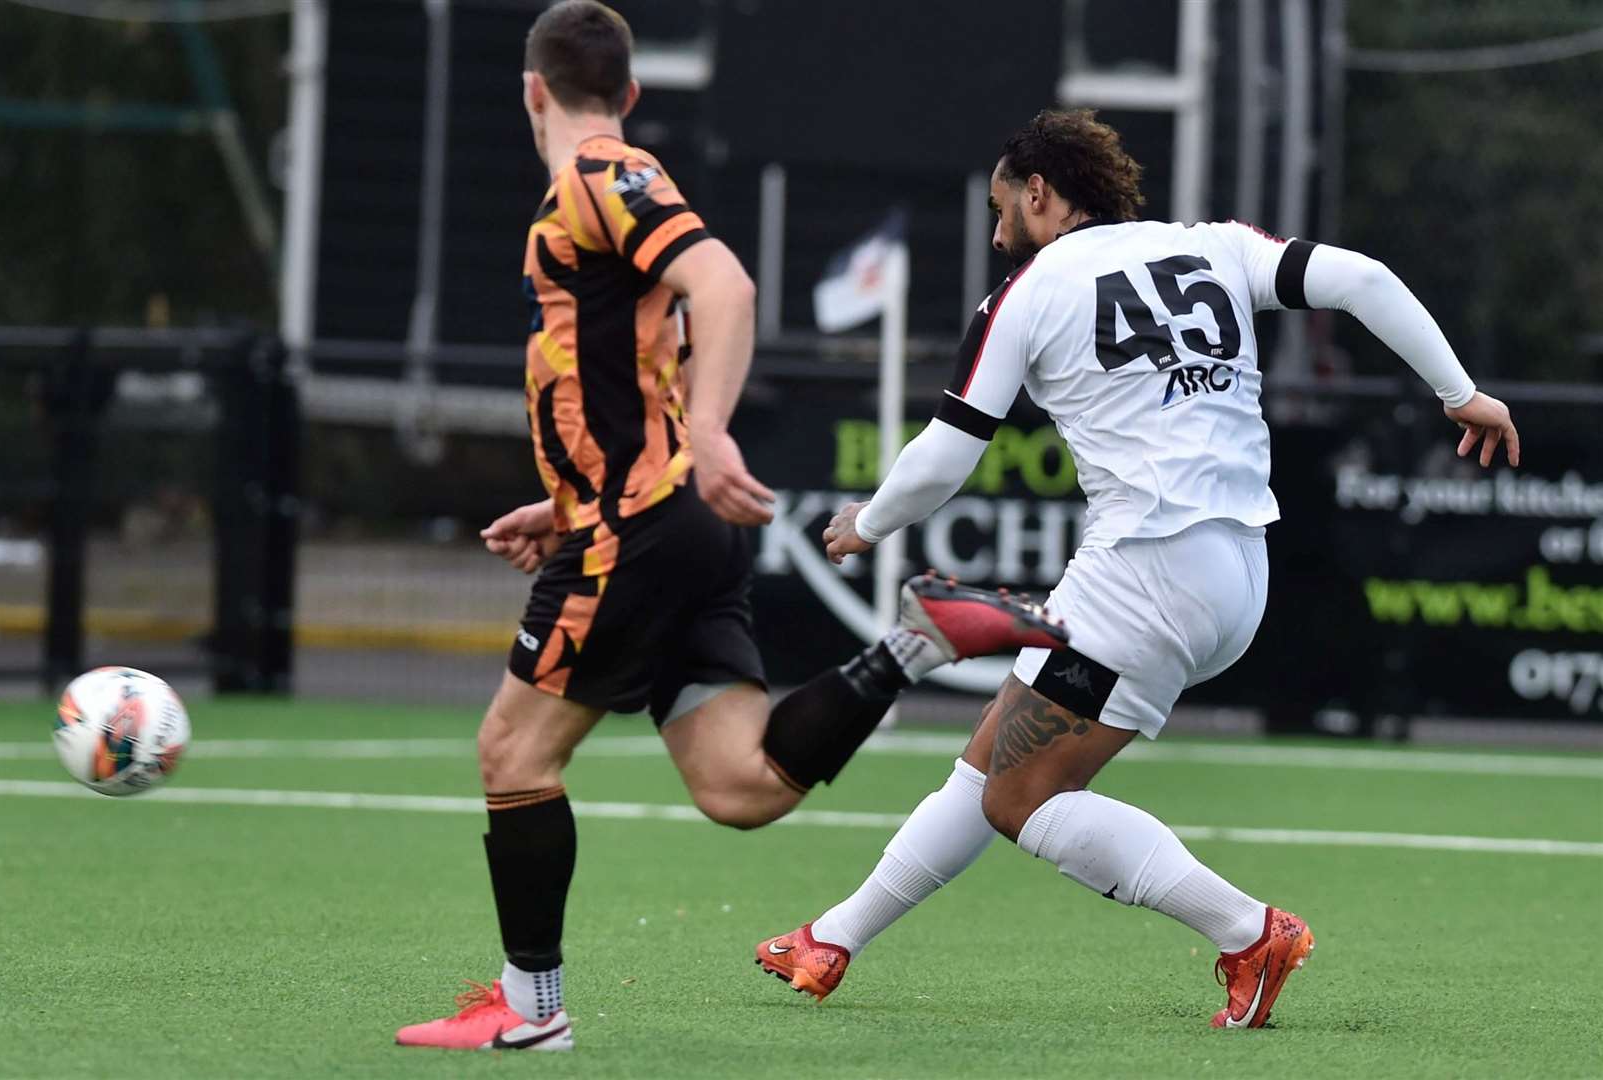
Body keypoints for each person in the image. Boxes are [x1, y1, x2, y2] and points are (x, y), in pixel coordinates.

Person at [394, 2, 1068, 1053]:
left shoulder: (600, 177)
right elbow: (619, 373)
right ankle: (911, 643)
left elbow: (724, 282)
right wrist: (570, 497)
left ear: (535, 91)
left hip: (641, 528)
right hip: (666, 526)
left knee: (510, 753)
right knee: (740, 785)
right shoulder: (599, 188)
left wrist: (706, 433)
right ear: (628, 88)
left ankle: (531, 1013)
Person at [755, 107, 1520, 1030]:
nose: (999, 235)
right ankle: (830, 940)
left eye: (1003, 211)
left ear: (1039, 192)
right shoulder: (1215, 247)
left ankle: (1246, 931)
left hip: (1144, 568)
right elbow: (1361, 278)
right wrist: (1459, 391)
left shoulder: (1027, 292)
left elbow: (944, 456)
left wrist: (864, 524)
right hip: (1238, 571)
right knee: (992, 756)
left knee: (1020, 796)